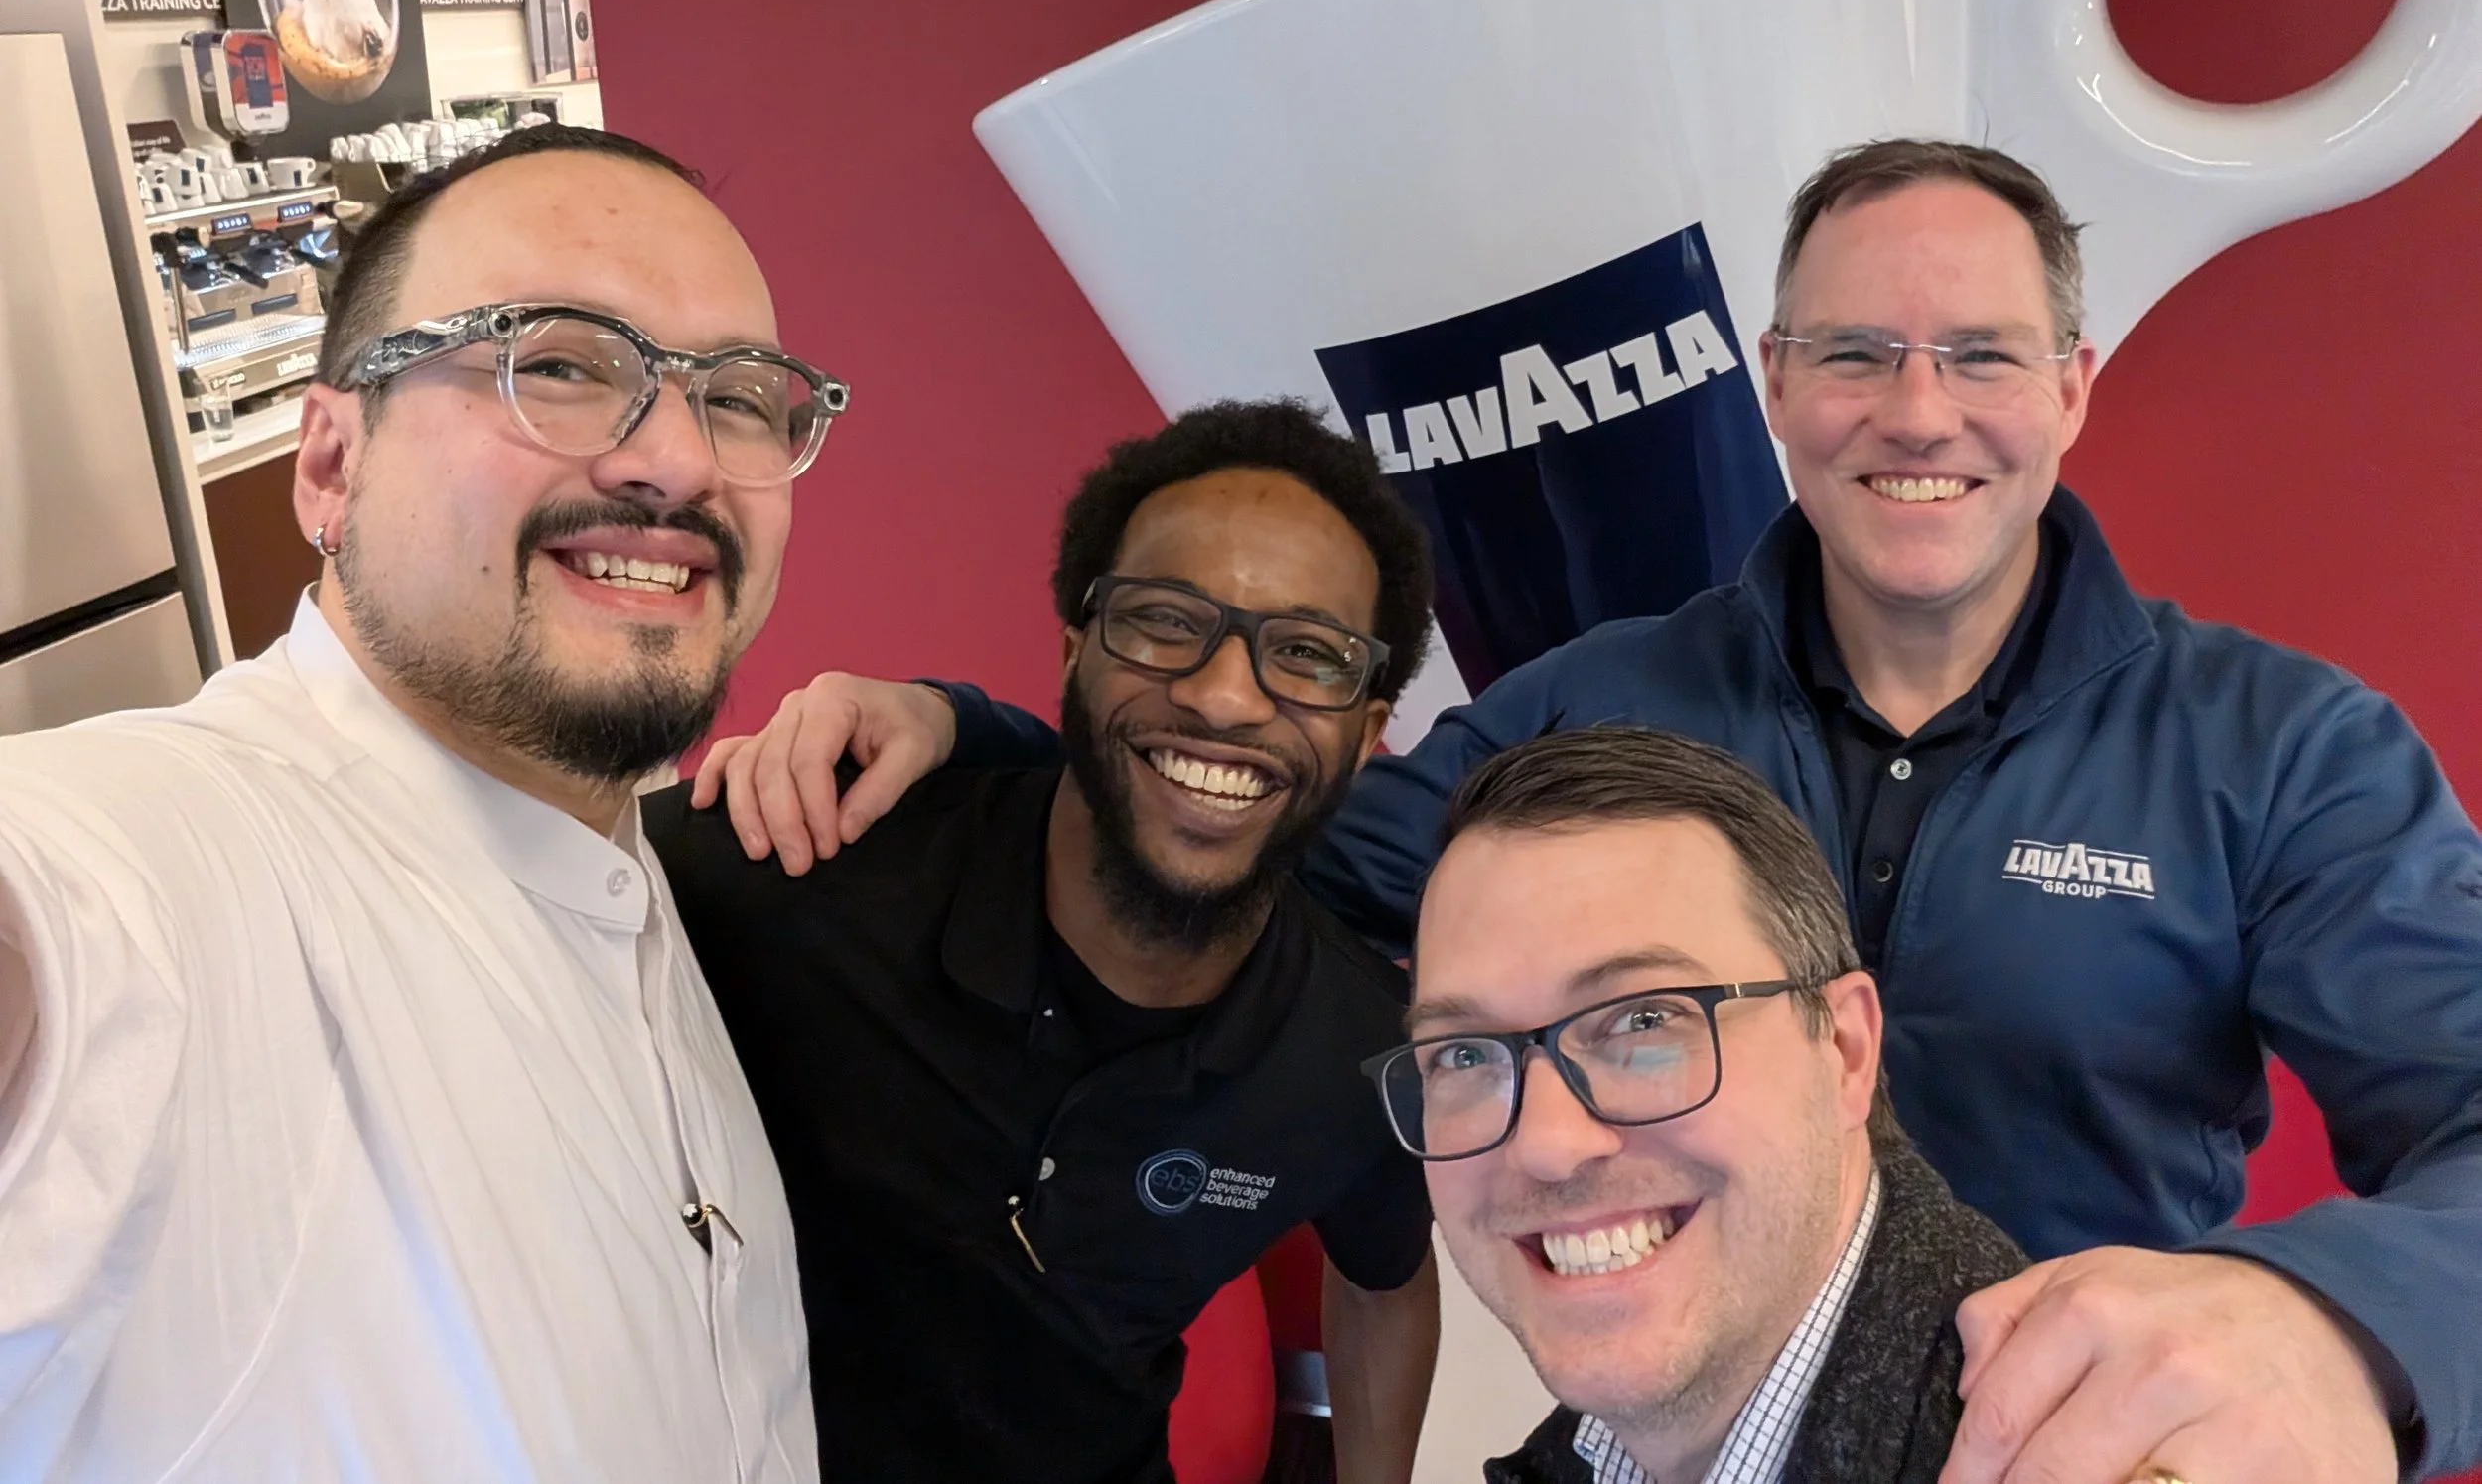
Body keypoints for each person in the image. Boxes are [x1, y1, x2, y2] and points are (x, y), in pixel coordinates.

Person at [699, 138, 2482, 1483]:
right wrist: (983, 737)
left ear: (2073, 389)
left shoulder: (2283, 749)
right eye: (1856, 354)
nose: (1917, 411)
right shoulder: (1601, 700)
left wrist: (2338, 1320)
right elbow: (1264, 831)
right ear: (1773, 385)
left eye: (1985, 356)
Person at [0, 124, 847, 1480]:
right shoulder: (176, 870)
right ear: (331, 464)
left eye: (741, 395)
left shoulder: (626, 848)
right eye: (559, 362)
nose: (679, 459)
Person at [649, 400, 1443, 1483]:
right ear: (1075, 654)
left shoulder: (1356, 1050)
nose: (1222, 696)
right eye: (1166, 621)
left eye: (1307, 654)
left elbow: (1389, 1281)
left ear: (1367, 733)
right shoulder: (795, 867)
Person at [1386, 724, 2024, 1484]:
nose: (1546, 1144)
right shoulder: (1593, 1454)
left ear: (1847, 1048)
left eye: (1644, 1019)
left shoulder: (2082, 1446)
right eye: (1464, 1053)